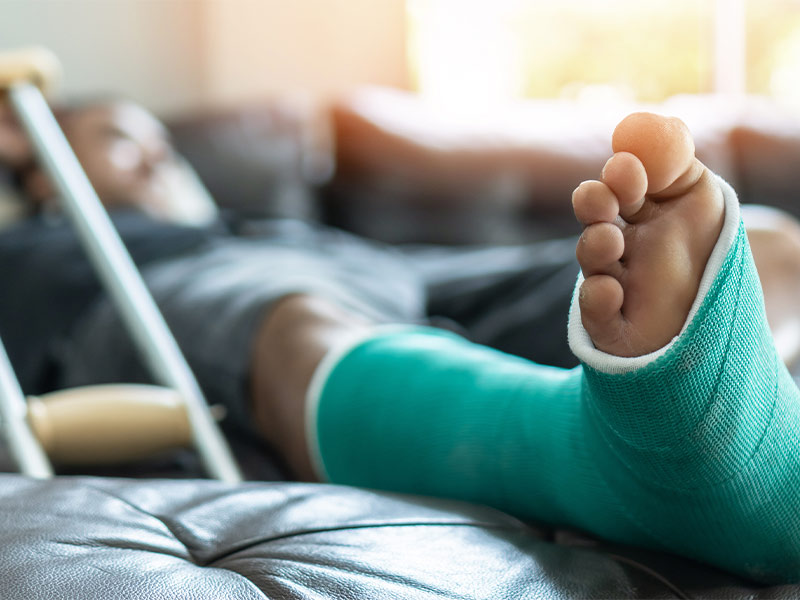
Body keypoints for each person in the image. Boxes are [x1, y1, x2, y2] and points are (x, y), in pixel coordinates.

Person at [1, 101, 799, 583]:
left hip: (380, 269)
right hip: (185, 282)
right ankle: (676, 453)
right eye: (118, 138)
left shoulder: (272, 219)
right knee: (294, 318)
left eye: (163, 144)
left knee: (768, 247)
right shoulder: (48, 246)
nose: (157, 154)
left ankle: (744, 397)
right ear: (33, 157)